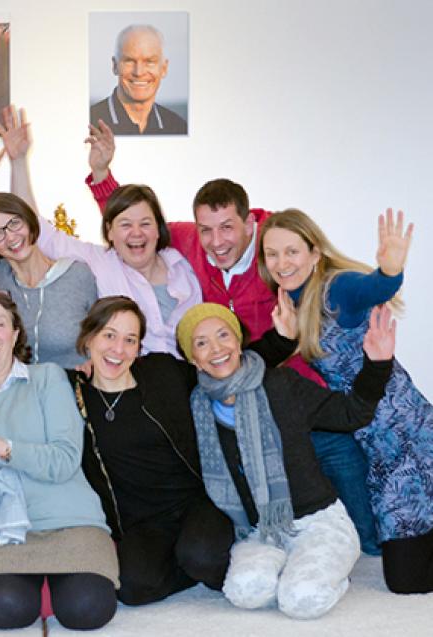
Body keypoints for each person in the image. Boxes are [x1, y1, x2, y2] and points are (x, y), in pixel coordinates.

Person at [84, 126, 382, 554]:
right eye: (207, 230)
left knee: (334, 446)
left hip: (283, 377)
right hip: (224, 379)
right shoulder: (188, 241)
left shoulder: (271, 251)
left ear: (250, 224)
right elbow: (136, 228)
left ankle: (365, 545)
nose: (217, 241)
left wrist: (383, 280)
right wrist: (102, 175)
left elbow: (323, 270)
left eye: (227, 227)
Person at [68, 294, 299, 605]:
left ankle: (216, 558)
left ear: (139, 348)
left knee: (202, 558)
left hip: (196, 501)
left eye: (130, 339)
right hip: (140, 521)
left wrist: (281, 342)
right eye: (109, 335)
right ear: (89, 338)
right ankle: (192, 562)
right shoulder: (72, 395)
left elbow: (221, 368)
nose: (117, 349)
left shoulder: (163, 372)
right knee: (132, 589)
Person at [175, 302, 393, 618]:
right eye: (201, 342)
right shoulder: (197, 408)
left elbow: (352, 413)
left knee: (300, 599)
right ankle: (295, 565)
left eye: (223, 335)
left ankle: (329, 565)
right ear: (193, 357)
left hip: (318, 521)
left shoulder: (280, 385)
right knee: (245, 592)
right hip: (260, 530)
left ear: (238, 341)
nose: (216, 349)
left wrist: (377, 365)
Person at [258, 208, 433, 594]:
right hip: (378, 447)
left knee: (407, 581)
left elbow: (371, 289)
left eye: (292, 252)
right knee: (407, 582)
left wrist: (389, 272)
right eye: (272, 254)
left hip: (410, 434)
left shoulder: (335, 289)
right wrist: (284, 339)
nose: (282, 263)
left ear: (315, 252)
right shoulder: (292, 303)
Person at [0, 290, 119, 631]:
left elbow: (65, 459)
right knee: (4, 609)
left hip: (72, 520)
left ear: (15, 333)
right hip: (8, 528)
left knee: (88, 609)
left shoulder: (48, 378)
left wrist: (1, 446)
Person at [0, 106, 200, 357]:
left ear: (159, 229)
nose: (136, 233)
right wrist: (18, 162)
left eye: (145, 224)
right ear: (109, 232)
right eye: (125, 225)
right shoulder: (98, 262)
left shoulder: (186, 264)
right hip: (129, 374)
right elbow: (37, 231)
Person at [0, 191, 98, 367]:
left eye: (14, 223)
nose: (10, 237)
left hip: (74, 387)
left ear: (29, 220)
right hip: (17, 390)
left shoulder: (78, 274)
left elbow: (103, 332)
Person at [89, 24, 187, 135]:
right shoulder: (89, 123)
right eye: (129, 61)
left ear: (164, 68)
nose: (139, 72)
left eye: (149, 61)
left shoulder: (178, 127)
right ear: (115, 66)